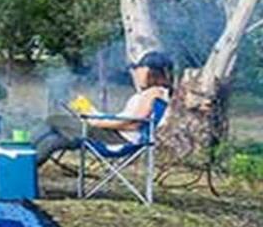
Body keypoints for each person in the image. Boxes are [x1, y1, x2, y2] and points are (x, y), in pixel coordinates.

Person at [32, 51, 173, 166]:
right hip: (114, 134)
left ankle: (19, 158)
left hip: (116, 139)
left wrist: (97, 122)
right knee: (54, 140)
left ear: (151, 71)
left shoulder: (153, 93)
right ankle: (23, 170)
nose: (136, 73)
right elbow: (128, 119)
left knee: (53, 120)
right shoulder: (156, 93)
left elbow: (134, 123)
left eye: (139, 69)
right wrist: (98, 115)